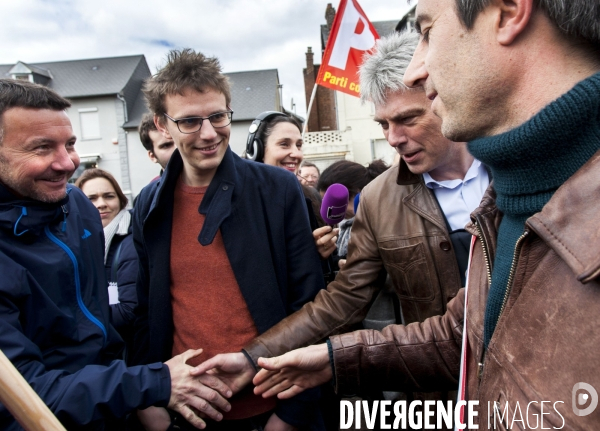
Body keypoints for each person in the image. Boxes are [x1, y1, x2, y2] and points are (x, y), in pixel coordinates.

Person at [251, 0, 600, 428]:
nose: (394, 139)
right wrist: (271, 355)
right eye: (382, 125)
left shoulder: (514, 180)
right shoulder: (387, 200)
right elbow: (457, 333)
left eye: (429, 32)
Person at [195, 30, 489, 414]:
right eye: (383, 124)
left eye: (407, 119)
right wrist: (253, 357)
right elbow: (344, 299)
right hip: (439, 400)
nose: (394, 139)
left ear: (443, 94)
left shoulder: (512, 171)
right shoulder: (379, 199)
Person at [0, 78, 235, 430]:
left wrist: (135, 396)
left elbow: (98, 325)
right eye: (41, 148)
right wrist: (153, 384)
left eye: (70, 144)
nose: (68, 163)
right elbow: (22, 394)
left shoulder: (75, 206)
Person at [132, 49, 325, 431]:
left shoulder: (278, 189)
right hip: (184, 413)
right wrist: (147, 399)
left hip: (270, 409)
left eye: (218, 116)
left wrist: (291, 415)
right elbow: (144, 311)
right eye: (189, 121)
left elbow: (310, 305)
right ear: (162, 124)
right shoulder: (149, 203)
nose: (208, 133)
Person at [245, 111, 336, 281]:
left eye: (299, 145)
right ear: (257, 149)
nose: (296, 153)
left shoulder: (310, 198)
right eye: (284, 144)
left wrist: (322, 255)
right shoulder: (242, 201)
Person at [75, 168, 137, 351]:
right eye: (91, 199)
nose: (101, 204)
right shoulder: (80, 241)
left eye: (109, 196)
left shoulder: (130, 242)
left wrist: (77, 316)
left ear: (120, 199)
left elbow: (128, 312)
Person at [316, 159, 388, 264]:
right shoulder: (344, 226)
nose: (330, 208)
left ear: (359, 193)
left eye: (335, 202)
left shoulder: (380, 225)